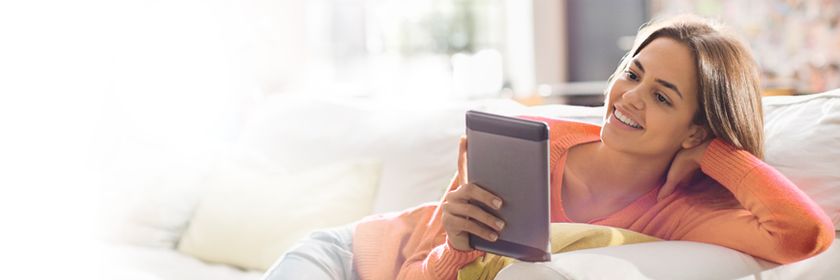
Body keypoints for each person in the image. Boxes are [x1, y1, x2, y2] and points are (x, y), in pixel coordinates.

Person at [263, 15, 835, 280]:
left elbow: (804, 236)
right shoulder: (539, 143)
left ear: (695, 128)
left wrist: (713, 150)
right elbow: (420, 271)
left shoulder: (679, 212)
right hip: (355, 258)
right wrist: (459, 250)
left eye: (662, 96)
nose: (629, 97)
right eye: (632, 73)